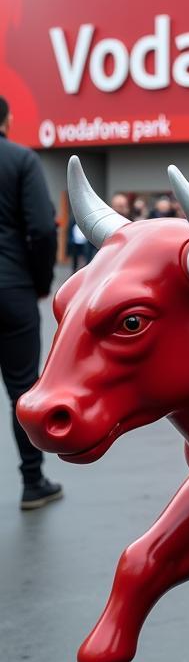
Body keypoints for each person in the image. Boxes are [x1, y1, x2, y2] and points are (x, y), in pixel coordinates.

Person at [0, 96, 60, 510]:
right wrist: (39, 282)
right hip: (10, 288)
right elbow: (41, 228)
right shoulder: (20, 160)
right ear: (7, 119)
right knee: (22, 387)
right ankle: (33, 482)